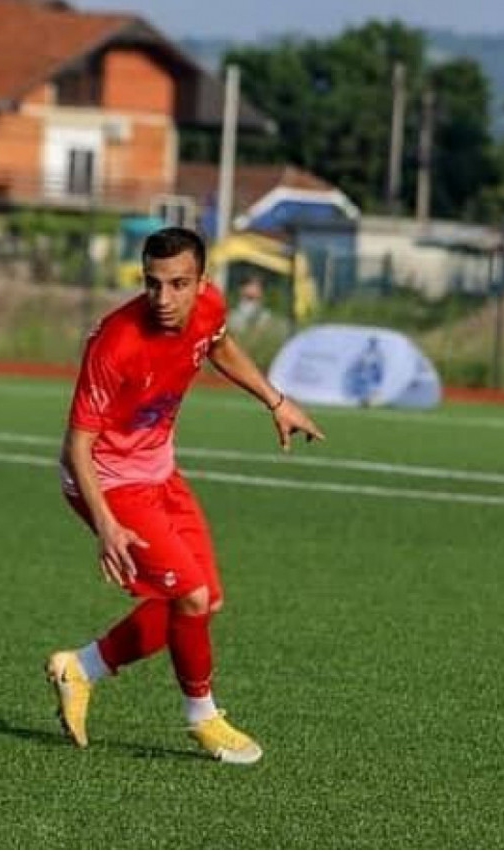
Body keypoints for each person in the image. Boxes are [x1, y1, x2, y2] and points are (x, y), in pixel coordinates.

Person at [45, 227, 324, 765]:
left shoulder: (210, 307)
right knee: (191, 598)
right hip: (106, 481)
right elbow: (77, 446)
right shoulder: (116, 342)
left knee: (204, 600)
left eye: (178, 284)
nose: (164, 298)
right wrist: (105, 524)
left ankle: (80, 668)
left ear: (202, 283)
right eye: (153, 283)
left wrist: (276, 400)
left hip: (158, 472)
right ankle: (203, 718)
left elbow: (219, 344)